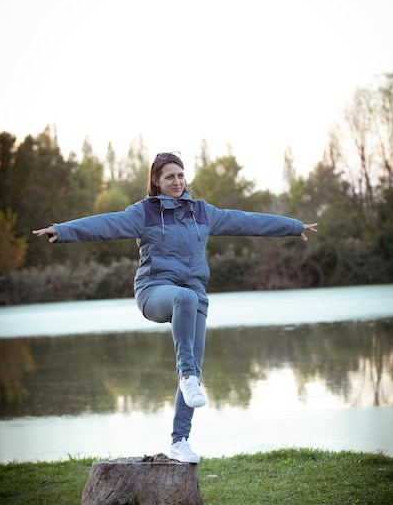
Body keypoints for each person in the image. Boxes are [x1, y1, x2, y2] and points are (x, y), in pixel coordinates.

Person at [33, 151, 318, 464]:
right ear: (156, 180)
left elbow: (248, 221)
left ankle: (179, 441)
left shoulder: (202, 213)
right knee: (186, 315)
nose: (177, 181)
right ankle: (186, 375)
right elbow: (106, 224)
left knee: (193, 343)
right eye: (170, 176)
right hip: (154, 292)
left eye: (180, 175)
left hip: (195, 297)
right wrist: (62, 230)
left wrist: (292, 226)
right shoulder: (144, 213)